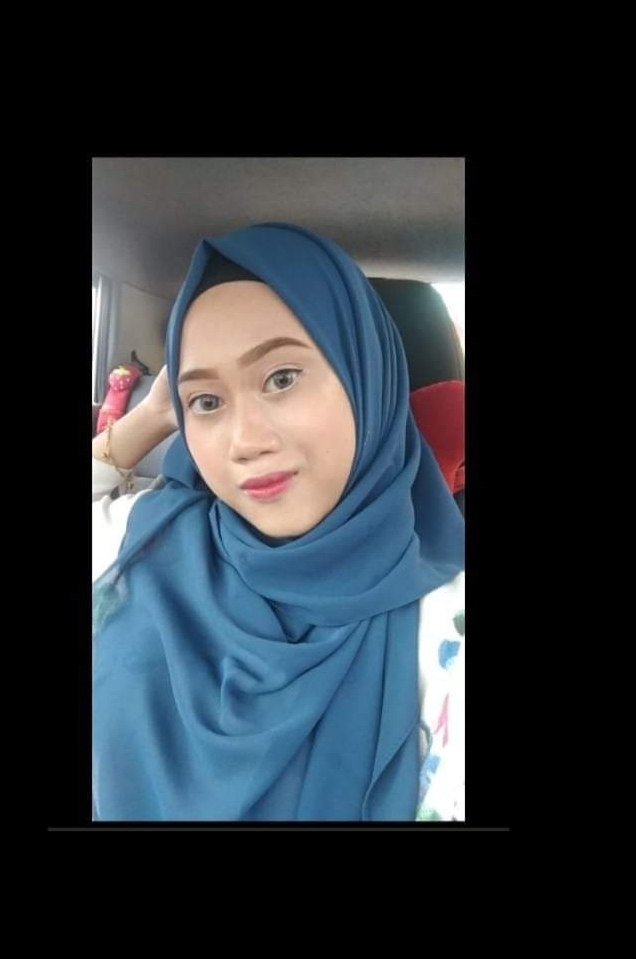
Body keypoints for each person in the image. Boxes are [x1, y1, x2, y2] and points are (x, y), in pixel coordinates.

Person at [92, 222, 465, 822]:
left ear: (366, 377)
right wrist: (156, 412)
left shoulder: (447, 630)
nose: (245, 442)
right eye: (207, 402)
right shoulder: (143, 538)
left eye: (282, 378)